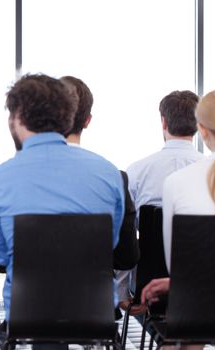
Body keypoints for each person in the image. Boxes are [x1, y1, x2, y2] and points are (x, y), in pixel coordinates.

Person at [0, 74, 124, 349]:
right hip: (94, 309)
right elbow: (110, 245)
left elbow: (0, 256)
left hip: (28, 312)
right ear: (69, 117)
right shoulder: (107, 172)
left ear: (17, 118)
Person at [141, 89, 215, 350]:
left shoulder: (178, 183)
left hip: (200, 311)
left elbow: (176, 263)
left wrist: (177, 283)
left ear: (203, 129)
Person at [60, 75, 141, 317]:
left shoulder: (11, 177)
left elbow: (1, 261)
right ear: (87, 121)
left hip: (29, 308)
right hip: (96, 305)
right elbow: (127, 257)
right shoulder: (113, 177)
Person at [121, 90, 202, 314]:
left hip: (147, 289)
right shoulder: (214, 173)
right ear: (198, 123)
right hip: (204, 288)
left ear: (163, 122)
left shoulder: (137, 171)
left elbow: (125, 235)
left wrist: (119, 295)